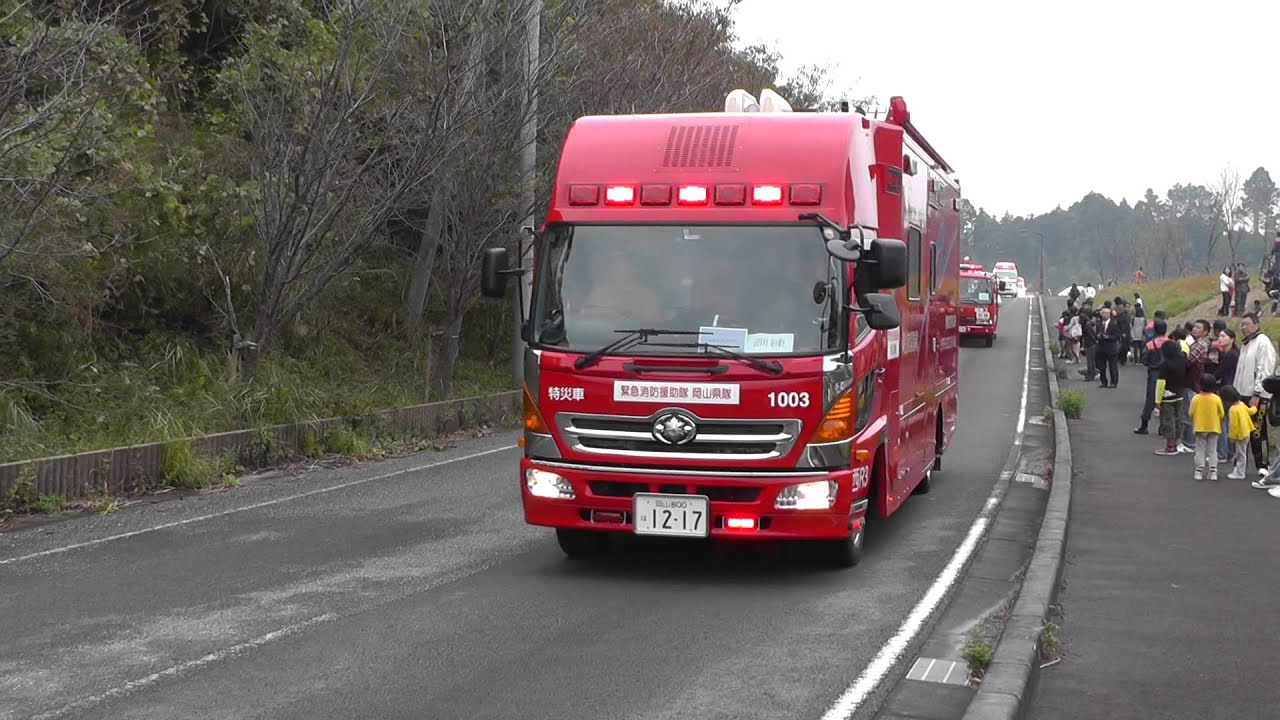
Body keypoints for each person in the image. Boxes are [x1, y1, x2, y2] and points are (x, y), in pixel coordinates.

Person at [1233, 312, 1278, 480]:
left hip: (1257, 395)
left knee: (1258, 431)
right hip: (1242, 393)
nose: (1243, 327)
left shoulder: (1263, 343)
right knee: (1241, 431)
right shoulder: (1245, 344)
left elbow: (1264, 370)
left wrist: (1258, 393)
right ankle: (1240, 463)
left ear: (1256, 324)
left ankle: (1262, 464)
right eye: (1242, 324)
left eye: (1247, 324)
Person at [1135, 318, 1171, 435]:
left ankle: (1144, 426)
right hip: (1168, 373)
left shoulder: (1150, 344)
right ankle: (1163, 427)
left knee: (1151, 399)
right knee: (1166, 399)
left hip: (1154, 373)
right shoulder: (1171, 343)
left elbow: (1144, 360)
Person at [1156, 339, 1188, 456]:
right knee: (1178, 418)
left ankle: (1169, 447)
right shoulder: (1182, 360)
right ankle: (1175, 444)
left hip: (1168, 396)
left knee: (1168, 420)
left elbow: (1161, 384)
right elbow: (1185, 348)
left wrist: (1157, 400)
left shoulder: (1164, 364)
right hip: (1180, 394)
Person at [1189, 374, 1224, 481]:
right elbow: (1221, 413)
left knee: (1200, 450)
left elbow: (1190, 413)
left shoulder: (1196, 398)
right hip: (1214, 427)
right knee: (1213, 450)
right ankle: (1213, 472)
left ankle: (1198, 471)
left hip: (1200, 427)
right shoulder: (1217, 399)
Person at [1220, 384, 1256, 480]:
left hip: (1239, 434)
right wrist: (1255, 407)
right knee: (1242, 452)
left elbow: (1233, 426)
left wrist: (1231, 437)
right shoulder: (1241, 404)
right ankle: (1239, 470)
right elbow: (1250, 411)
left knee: (1240, 454)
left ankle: (1240, 473)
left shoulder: (1232, 409)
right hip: (1247, 431)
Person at [1094, 306, 1121, 388]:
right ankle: (1103, 382)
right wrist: (1098, 336)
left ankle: (1114, 382)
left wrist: (1109, 337)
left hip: (1111, 348)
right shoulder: (1099, 324)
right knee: (1102, 367)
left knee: (1113, 366)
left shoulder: (1114, 324)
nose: (1104, 315)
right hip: (1101, 348)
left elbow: (1117, 335)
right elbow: (1096, 334)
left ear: (1109, 314)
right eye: (1103, 313)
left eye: (1106, 313)